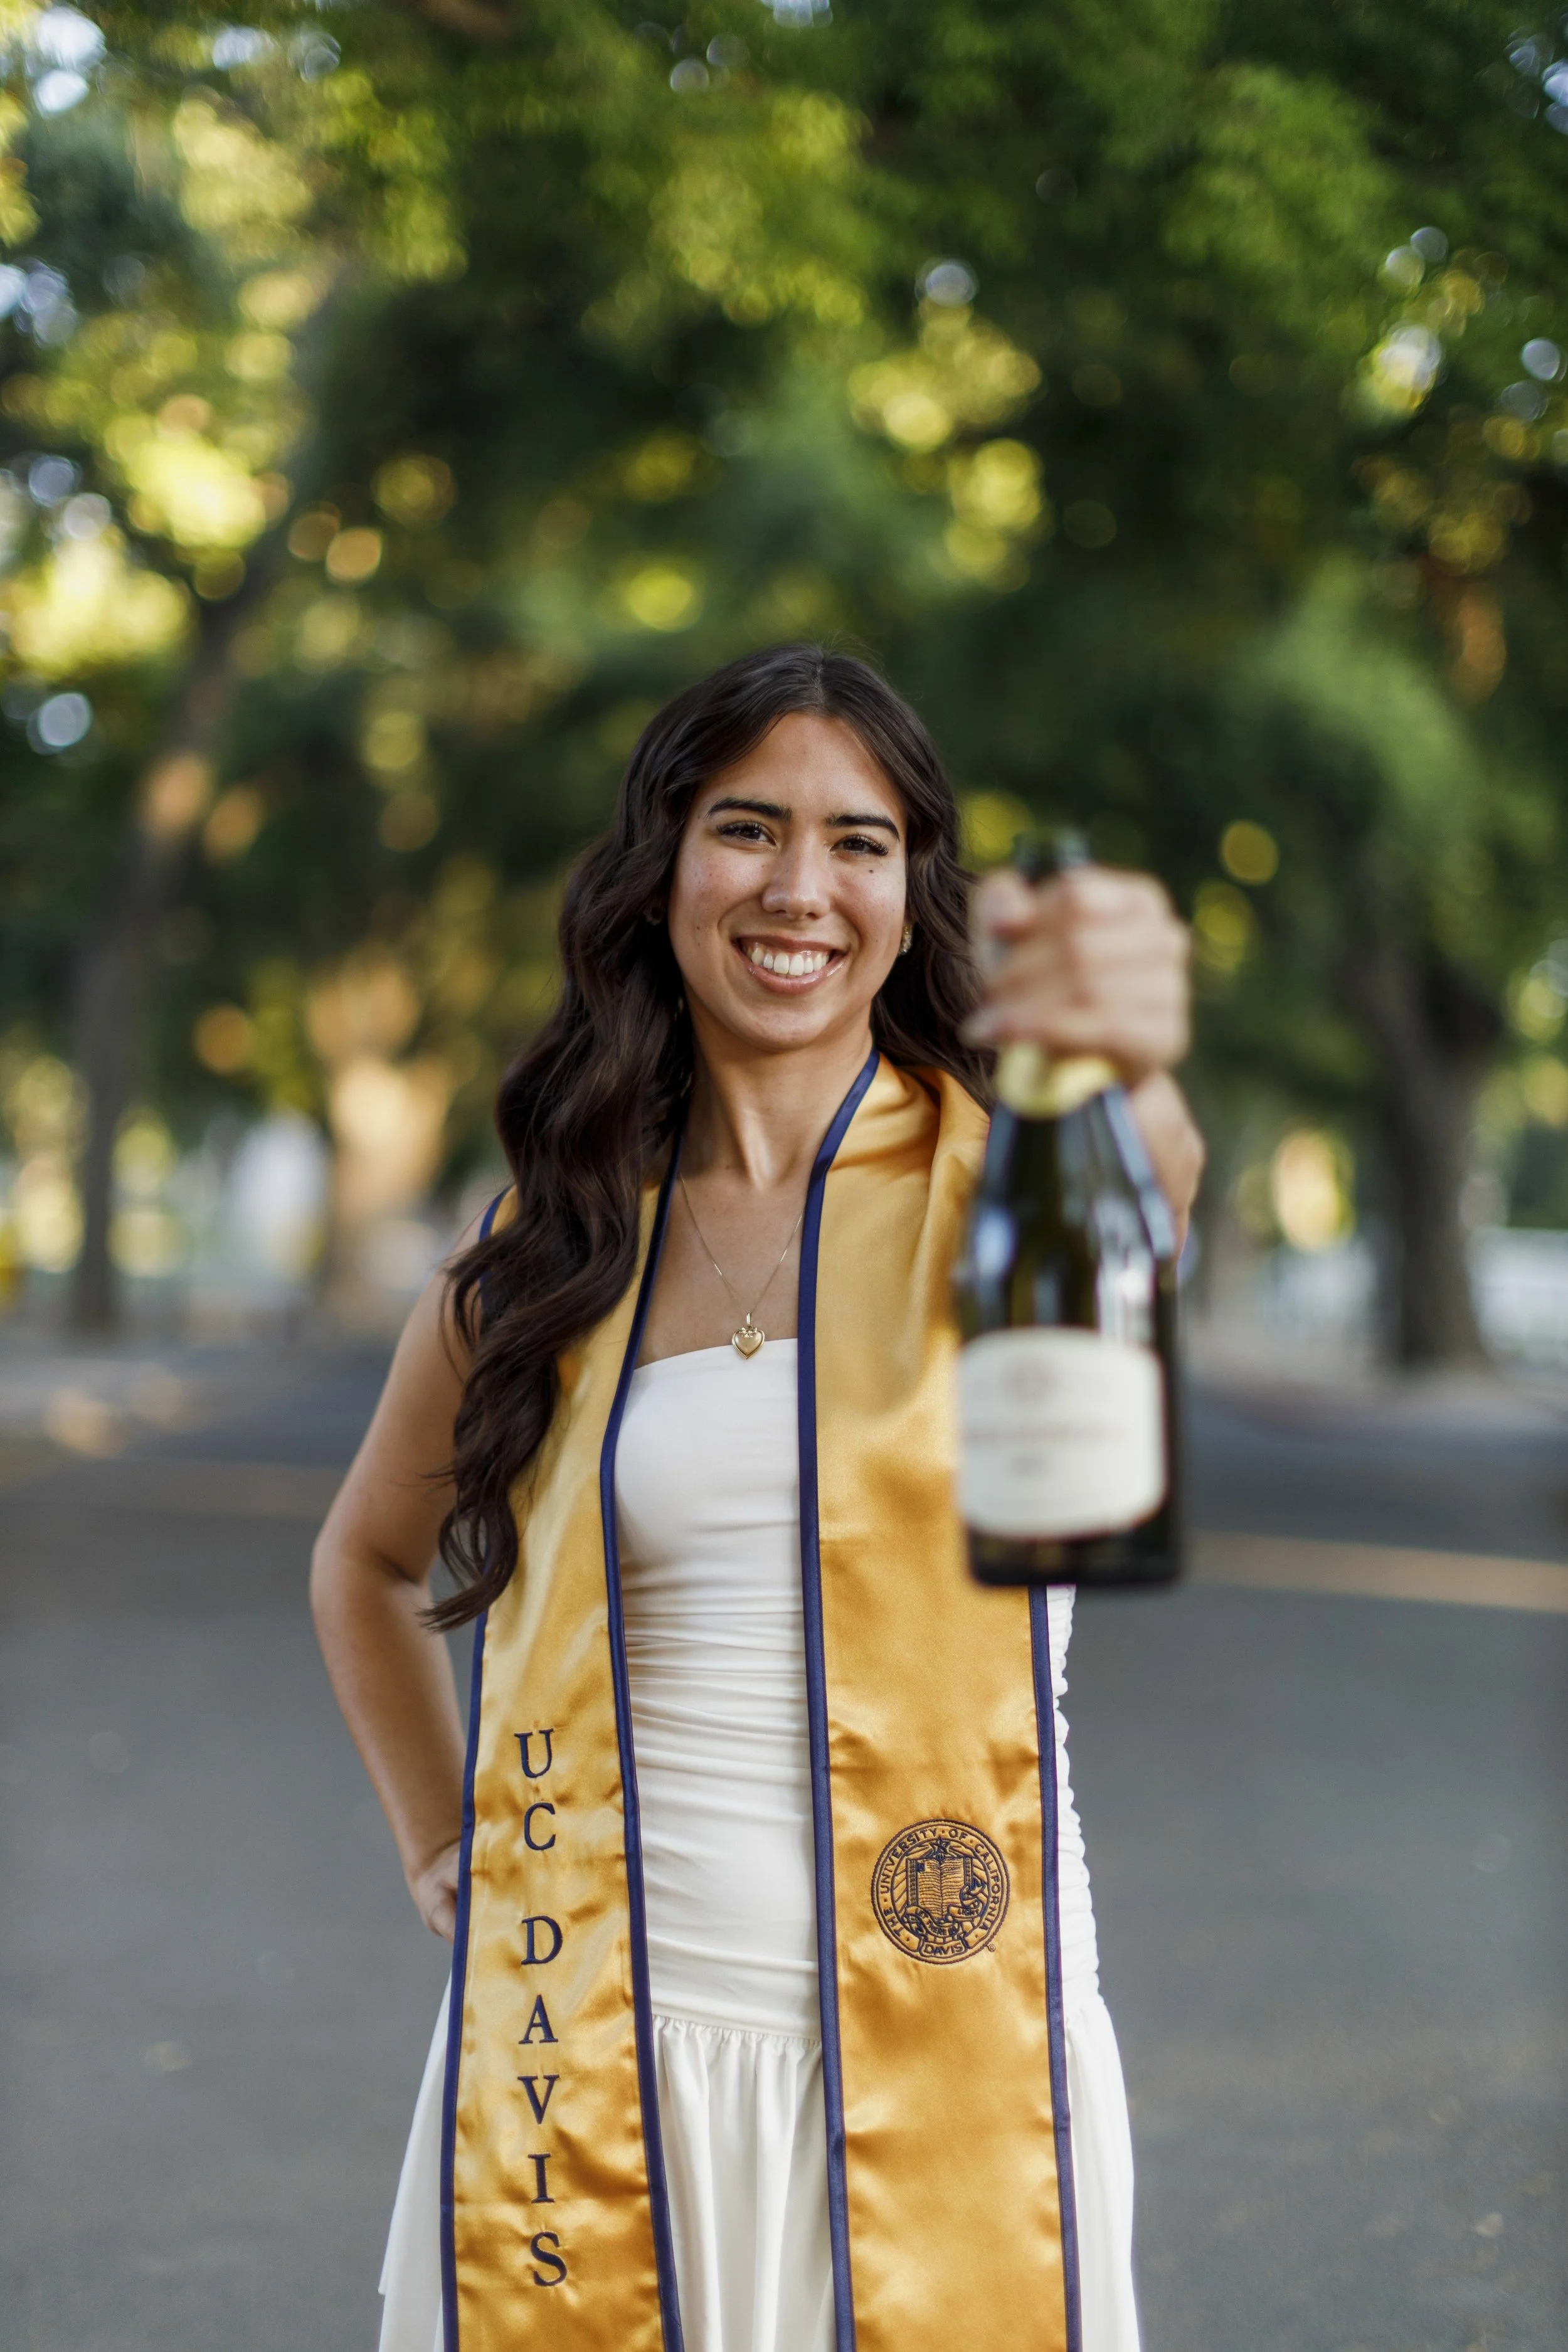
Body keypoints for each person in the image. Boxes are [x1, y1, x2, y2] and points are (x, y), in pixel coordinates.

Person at [311, 644, 1201, 2352]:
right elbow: (364, 1559)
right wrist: (442, 1839)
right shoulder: (556, 1240)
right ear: (663, 868)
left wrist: (1119, 1048)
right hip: (599, 2029)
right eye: (749, 829)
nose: (801, 887)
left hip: (959, 2017)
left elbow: (1154, 1164)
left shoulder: (1007, 1174)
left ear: (909, 887)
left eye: (859, 842)